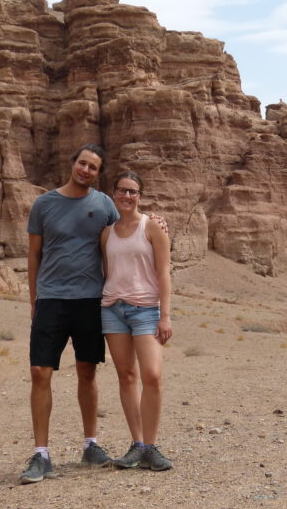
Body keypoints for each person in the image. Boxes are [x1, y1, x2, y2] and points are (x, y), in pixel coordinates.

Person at [19, 143, 119, 484]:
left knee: (87, 372)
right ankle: (41, 454)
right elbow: (34, 254)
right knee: (39, 372)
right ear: (72, 163)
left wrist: (157, 222)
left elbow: (125, 233)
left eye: (93, 167)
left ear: (98, 172)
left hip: (90, 300)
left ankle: (91, 444)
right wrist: (34, 297)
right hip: (51, 300)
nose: (86, 170)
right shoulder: (44, 204)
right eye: (82, 163)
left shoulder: (105, 203)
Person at [101, 171, 174, 471]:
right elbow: (107, 271)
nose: (127, 196)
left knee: (152, 376)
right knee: (126, 376)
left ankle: (151, 445)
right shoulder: (106, 233)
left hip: (146, 310)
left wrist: (165, 315)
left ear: (140, 196)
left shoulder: (153, 227)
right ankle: (137, 444)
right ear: (114, 194)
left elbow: (164, 272)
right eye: (122, 191)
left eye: (133, 192)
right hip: (113, 309)